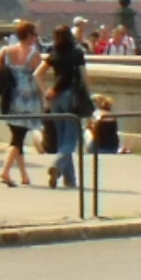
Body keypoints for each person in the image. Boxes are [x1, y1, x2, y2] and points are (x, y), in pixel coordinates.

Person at [0, 20, 44, 187]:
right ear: (30, 36)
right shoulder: (34, 55)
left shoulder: (6, 51)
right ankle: (5, 171)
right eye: (34, 35)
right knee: (18, 138)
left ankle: (24, 176)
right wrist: (44, 100)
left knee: (17, 136)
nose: (36, 38)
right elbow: (39, 79)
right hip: (27, 98)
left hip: (10, 97)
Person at [35, 23, 87, 189]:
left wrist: (46, 91)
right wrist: (89, 95)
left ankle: (69, 179)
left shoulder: (54, 53)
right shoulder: (77, 53)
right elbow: (84, 77)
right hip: (71, 98)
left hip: (56, 98)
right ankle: (56, 165)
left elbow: (37, 74)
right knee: (71, 139)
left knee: (62, 138)